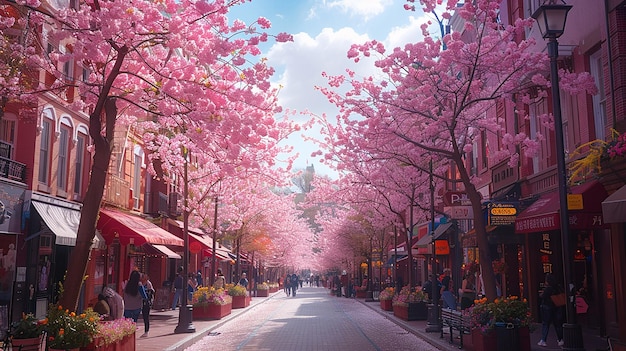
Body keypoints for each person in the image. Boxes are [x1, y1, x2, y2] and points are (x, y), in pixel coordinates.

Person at [537, 273, 564, 347]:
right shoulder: (558, 287)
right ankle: (560, 339)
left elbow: (543, 296)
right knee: (557, 324)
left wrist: (541, 294)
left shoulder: (548, 289)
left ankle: (543, 340)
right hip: (557, 306)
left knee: (545, 323)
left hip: (547, 307)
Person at [140, 273, 154, 338]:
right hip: (140, 302)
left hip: (146, 303)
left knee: (146, 316)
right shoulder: (140, 284)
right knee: (143, 316)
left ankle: (146, 331)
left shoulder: (148, 284)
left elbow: (151, 293)